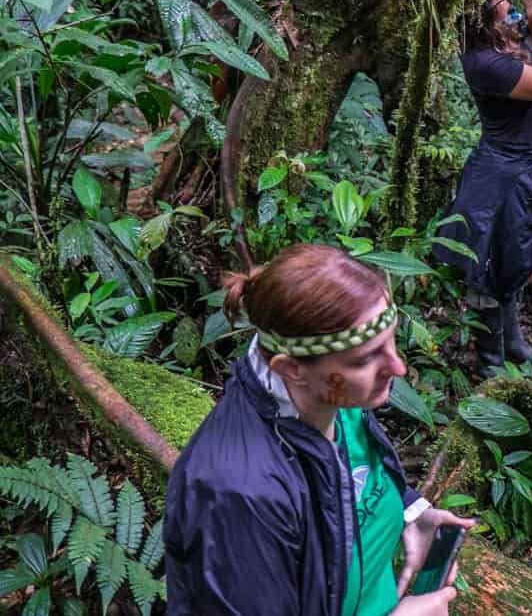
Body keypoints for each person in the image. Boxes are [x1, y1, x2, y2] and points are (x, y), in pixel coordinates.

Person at [165, 244, 474, 616]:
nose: (398, 366)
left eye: (391, 340)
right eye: (365, 358)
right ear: (291, 368)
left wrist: (410, 512)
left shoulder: (330, 395)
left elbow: (344, 476)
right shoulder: (236, 497)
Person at [431, 0, 532, 369]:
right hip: (501, 174)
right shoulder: (484, 62)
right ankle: (490, 354)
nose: (506, 4)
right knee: (491, 263)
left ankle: (513, 339)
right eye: (499, 0)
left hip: (523, 167)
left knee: (517, 257)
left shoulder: (500, 39)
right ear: (480, 14)